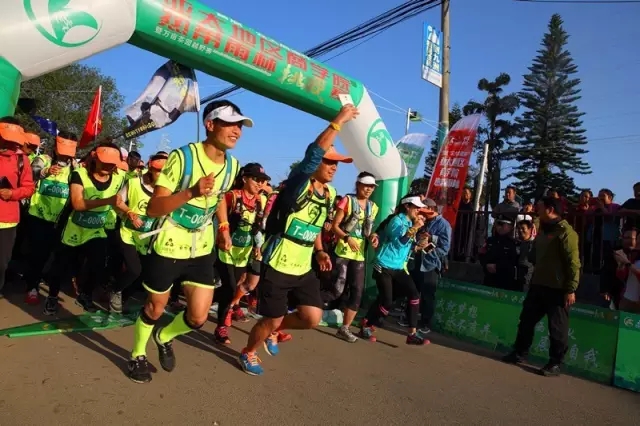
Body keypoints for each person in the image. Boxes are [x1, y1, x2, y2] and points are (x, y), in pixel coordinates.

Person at [127, 100, 245, 384]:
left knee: (197, 318)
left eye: (240, 125)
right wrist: (191, 192)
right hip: (168, 242)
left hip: (201, 247)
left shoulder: (233, 165)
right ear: (210, 124)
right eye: (230, 123)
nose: (237, 131)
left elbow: (218, 200)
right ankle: (137, 355)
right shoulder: (183, 158)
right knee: (155, 308)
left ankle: (164, 336)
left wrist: (224, 227)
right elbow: (154, 208)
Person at [237, 104, 358, 376]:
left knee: (311, 318)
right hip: (277, 264)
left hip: (304, 267)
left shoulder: (329, 194)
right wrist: (338, 120)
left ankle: (274, 332)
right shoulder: (298, 184)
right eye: (329, 162)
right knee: (272, 318)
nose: (333, 168)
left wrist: (320, 252)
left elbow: (313, 226)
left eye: (337, 164)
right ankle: (249, 352)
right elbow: (313, 154)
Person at [43, 142, 126, 315]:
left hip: (97, 229)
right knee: (61, 265)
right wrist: (107, 201)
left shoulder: (120, 178)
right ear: (95, 158)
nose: (108, 166)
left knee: (97, 265)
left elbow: (120, 201)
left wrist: (129, 212)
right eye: (105, 161)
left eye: (113, 163)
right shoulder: (79, 174)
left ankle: (85, 295)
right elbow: (78, 203)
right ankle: (52, 296)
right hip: (74, 227)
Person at [503, 197, 580, 377]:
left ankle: (555, 363)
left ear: (550, 209)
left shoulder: (566, 233)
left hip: (558, 288)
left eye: (539, 208)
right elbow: (534, 256)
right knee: (526, 321)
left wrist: (571, 288)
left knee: (557, 329)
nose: (536, 211)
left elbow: (574, 263)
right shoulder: (543, 231)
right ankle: (520, 353)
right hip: (538, 284)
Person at [359, 195, 429, 345]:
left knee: (414, 294)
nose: (418, 210)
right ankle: (367, 325)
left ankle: (412, 334)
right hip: (384, 265)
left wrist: (418, 246)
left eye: (419, 207)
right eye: (416, 207)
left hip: (398, 267)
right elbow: (399, 243)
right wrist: (415, 228)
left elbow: (407, 245)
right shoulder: (396, 220)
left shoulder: (410, 222)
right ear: (407, 207)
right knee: (387, 301)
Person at [213, 162, 270, 344]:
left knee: (236, 286)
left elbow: (258, 226)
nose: (260, 184)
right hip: (225, 250)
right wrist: (223, 234)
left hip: (243, 252)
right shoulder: (232, 196)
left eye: (263, 180)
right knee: (229, 288)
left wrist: (257, 246)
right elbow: (219, 214)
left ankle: (224, 311)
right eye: (256, 179)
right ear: (244, 178)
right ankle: (221, 326)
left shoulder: (261, 200)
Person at [24, 131, 78, 305]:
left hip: (61, 220)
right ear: (56, 147)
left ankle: (48, 283)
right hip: (38, 216)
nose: (64, 155)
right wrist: (45, 172)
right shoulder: (44, 160)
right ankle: (31, 286)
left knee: (56, 256)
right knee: (38, 254)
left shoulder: (75, 167)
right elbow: (31, 172)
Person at [111, 152, 168, 313]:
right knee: (133, 269)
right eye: (158, 171)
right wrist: (129, 212)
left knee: (142, 274)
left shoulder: (168, 191)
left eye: (165, 172)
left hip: (148, 238)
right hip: (128, 233)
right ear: (150, 168)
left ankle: (123, 297)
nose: (161, 175)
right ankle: (116, 290)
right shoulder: (134, 183)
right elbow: (117, 201)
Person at [329, 171, 379, 342]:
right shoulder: (347, 201)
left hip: (359, 255)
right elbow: (334, 226)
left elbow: (368, 232)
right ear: (357, 185)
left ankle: (345, 328)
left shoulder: (373, 207)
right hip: (342, 251)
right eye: (366, 185)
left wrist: (373, 237)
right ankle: (302, 308)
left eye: (372, 186)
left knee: (357, 292)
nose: (369, 189)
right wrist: (347, 238)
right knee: (337, 289)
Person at [404, 198, 451, 334]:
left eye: (424, 209)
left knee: (427, 295)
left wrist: (431, 239)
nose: (421, 212)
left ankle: (425, 323)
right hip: (416, 260)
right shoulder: (422, 221)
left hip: (430, 263)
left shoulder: (444, 225)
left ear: (431, 209)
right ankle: (409, 319)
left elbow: (445, 247)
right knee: (413, 291)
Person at [0, 118, 35, 293]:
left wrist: (12, 193)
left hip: (7, 221)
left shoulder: (22, 160)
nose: (11, 143)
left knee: (1, 263)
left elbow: (29, 188)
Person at [478, 215, 519, 291]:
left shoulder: (513, 244)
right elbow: (481, 254)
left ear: (510, 227)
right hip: (489, 278)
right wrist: (486, 264)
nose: (499, 227)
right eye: (497, 224)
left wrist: (498, 267)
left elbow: (513, 261)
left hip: (504, 281)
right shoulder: (490, 241)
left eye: (502, 224)